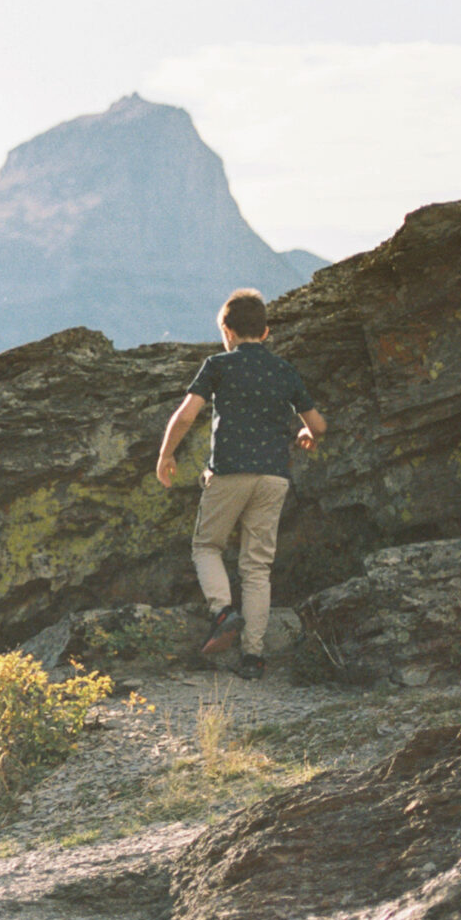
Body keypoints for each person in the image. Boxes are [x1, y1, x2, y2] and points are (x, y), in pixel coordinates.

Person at [155, 288, 327, 680]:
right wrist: (305, 433)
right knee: (257, 566)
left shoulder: (218, 365)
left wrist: (166, 455)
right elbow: (317, 425)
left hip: (230, 471)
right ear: (266, 332)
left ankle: (222, 612)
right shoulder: (284, 370)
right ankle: (253, 656)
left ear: (227, 331)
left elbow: (186, 416)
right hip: (273, 476)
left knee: (206, 546)